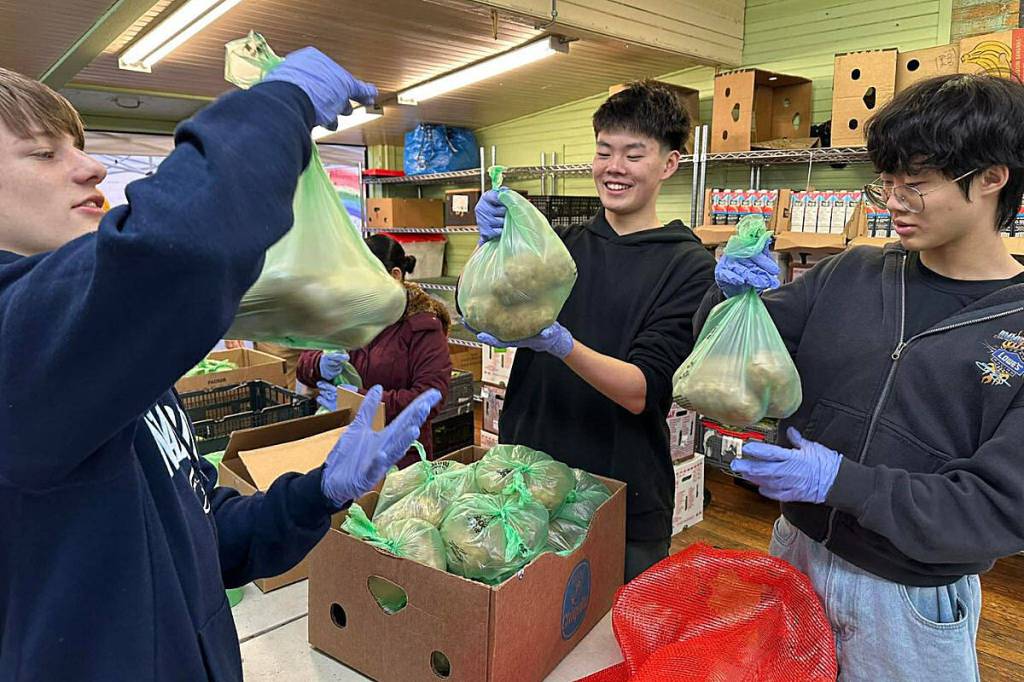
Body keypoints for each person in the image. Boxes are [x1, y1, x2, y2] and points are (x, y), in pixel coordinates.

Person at [0, 53, 440, 681]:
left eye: (79, 145)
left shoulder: (104, 359)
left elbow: (204, 532)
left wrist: (317, 494)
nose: (92, 167)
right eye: (44, 153)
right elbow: (177, 250)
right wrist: (280, 104)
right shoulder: (15, 340)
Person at [707, 74, 1024, 681]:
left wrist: (842, 482)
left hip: (906, 599)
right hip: (793, 554)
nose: (893, 201)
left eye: (916, 183)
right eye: (885, 181)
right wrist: (728, 300)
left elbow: (999, 509)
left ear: (991, 177)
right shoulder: (851, 272)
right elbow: (733, 359)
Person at [471, 81, 716, 581]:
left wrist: (558, 344)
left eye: (633, 154)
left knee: (613, 644)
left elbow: (642, 391)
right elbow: (483, 311)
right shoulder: (561, 246)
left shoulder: (687, 266)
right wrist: (492, 250)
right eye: (604, 151)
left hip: (620, 498)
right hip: (525, 485)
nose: (614, 167)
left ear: (669, 164)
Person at [297, 234, 453, 465]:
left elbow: (429, 397)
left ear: (395, 276)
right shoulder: (352, 315)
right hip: (344, 446)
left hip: (397, 454)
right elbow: (304, 365)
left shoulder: (422, 327)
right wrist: (318, 364)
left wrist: (360, 402)